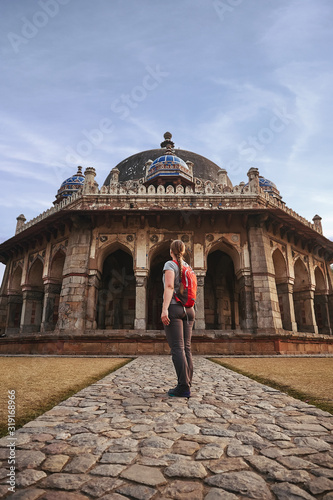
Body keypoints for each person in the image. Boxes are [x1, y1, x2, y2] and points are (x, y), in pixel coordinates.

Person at [161, 240, 195, 397]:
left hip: (175, 308)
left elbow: (169, 287)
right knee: (186, 348)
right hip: (189, 310)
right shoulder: (189, 267)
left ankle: (183, 386)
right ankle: (187, 382)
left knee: (177, 347)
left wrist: (164, 309)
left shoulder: (170, 264)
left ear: (171, 251)